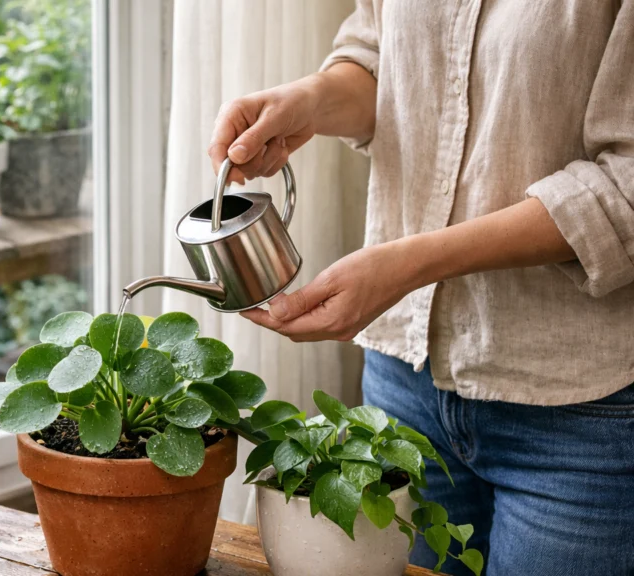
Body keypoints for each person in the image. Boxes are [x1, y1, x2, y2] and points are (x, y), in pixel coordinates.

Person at [210, 2, 634, 575]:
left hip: (577, 412)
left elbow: (626, 184)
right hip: (404, 382)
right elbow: (382, 59)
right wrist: (309, 100)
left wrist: (410, 264)